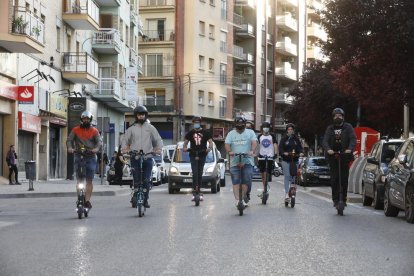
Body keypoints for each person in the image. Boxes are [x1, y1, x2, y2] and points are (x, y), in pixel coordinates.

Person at [121, 105, 163, 208]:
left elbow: (158, 140)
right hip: (135, 157)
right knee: (136, 179)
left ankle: (146, 199)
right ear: (136, 116)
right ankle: (135, 196)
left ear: (146, 115)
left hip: (147, 157)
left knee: (146, 180)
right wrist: (125, 150)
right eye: (139, 115)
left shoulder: (150, 128)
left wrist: (158, 149)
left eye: (143, 115)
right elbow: (125, 141)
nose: (141, 117)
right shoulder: (131, 129)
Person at [67, 111, 102, 210]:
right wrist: (70, 148)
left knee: (89, 180)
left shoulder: (94, 131)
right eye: (84, 119)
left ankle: (87, 201)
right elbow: (69, 140)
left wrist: (96, 149)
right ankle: (79, 198)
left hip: (91, 157)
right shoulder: (75, 130)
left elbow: (99, 142)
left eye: (87, 119)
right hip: (79, 155)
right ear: (81, 119)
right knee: (79, 179)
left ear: (90, 120)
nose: (85, 120)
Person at [322, 108, 357, 207]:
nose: (338, 117)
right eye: (336, 116)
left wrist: (350, 149)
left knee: (344, 178)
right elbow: (325, 140)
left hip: (345, 155)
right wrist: (328, 149)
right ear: (333, 117)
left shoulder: (348, 127)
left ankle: (344, 199)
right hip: (333, 156)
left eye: (340, 115)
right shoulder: (330, 128)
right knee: (334, 178)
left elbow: (353, 139)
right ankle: (335, 199)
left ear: (343, 117)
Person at [225, 116, 257, 207]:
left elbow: (254, 142)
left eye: (241, 125)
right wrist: (229, 151)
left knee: (246, 180)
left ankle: (243, 198)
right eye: (238, 125)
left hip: (247, 161)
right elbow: (227, 144)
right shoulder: (231, 133)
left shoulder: (250, 132)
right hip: (235, 161)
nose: (240, 127)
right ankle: (237, 200)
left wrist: (252, 151)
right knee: (236, 181)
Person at [183, 116, 213, 202]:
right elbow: (185, 144)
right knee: (195, 173)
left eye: (198, 122)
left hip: (202, 154)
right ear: (193, 123)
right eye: (195, 122)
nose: (196, 124)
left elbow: (210, 143)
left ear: (200, 123)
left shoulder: (206, 132)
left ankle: (199, 191)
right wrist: (185, 148)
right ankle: (194, 192)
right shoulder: (190, 133)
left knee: (200, 173)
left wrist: (209, 149)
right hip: (193, 154)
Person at [279, 123, 303, 202]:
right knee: (287, 176)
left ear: (293, 130)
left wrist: (301, 152)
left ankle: (292, 190)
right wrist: (283, 152)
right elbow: (281, 148)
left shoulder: (296, 139)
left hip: (294, 160)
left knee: (293, 176)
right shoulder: (284, 139)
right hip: (286, 160)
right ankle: (286, 194)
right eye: (289, 129)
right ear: (287, 130)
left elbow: (300, 148)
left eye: (291, 129)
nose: (290, 131)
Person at [257, 122, 278, 196]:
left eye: (267, 127)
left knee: (267, 172)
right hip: (261, 156)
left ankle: (266, 185)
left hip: (270, 156)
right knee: (262, 172)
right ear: (262, 128)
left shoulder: (272, 136)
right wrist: (256, 154)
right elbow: (257, 146)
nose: (266, 128)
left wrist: (275, 154)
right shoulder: (259, 136)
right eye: (264, 127)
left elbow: (275, 145)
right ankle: (264, 187)